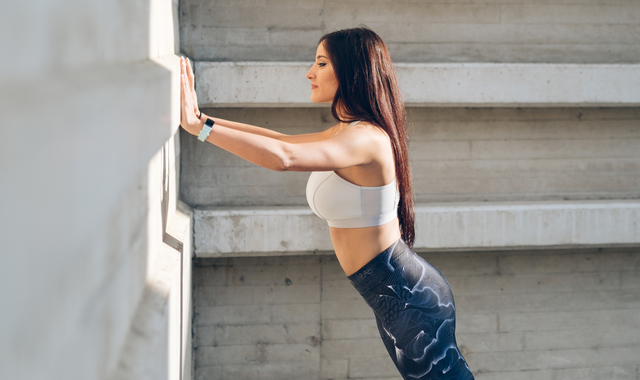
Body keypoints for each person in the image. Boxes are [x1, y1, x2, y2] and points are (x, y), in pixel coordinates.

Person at [180, 26, 475, 380]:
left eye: (321, 63)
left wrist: (200, 128)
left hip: (409, 298)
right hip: (393, 296)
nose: (309, 72)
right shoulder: (349, 130)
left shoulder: (366, 139)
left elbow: (284, 157)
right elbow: (280, 140)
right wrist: (201, 120)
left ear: (352, 71)